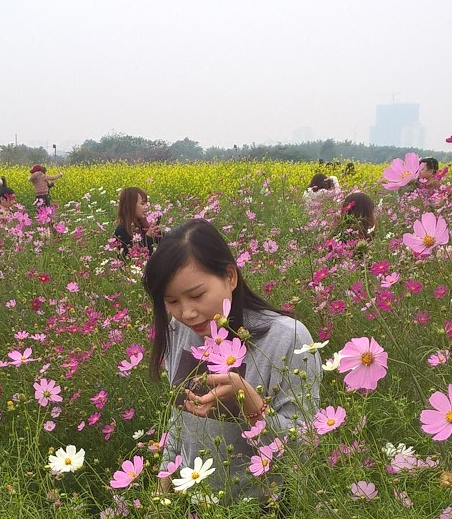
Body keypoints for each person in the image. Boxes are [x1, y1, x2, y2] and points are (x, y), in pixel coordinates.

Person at [145, 218, 321, 502]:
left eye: (197, 295)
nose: (187, 313)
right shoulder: (180, 330)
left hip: (265, 513)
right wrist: (163, 486)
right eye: (173, 301)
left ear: (230, 276)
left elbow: (308, 449)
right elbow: (180, 416)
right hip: (197, 505)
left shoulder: (287, 338)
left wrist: (254, 410)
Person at [112, 187, 160, 256]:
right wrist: (148, 238)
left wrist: (159, 233)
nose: (146, 207)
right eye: (142, 204)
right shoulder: (122, 230)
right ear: (131, 205)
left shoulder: (143, 225)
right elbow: (133, 258)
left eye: (147, 203)